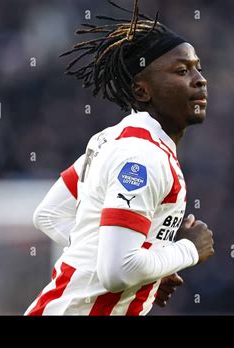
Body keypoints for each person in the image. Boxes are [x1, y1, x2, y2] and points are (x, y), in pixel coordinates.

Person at [25, 0, 214, 316]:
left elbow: (50, 215)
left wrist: (148, 267)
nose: (200, 79)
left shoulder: (111, 139)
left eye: (198, 67)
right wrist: (188, 250)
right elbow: (118, 273)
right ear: (142, 91)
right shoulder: (142, 158)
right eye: (182, 71)